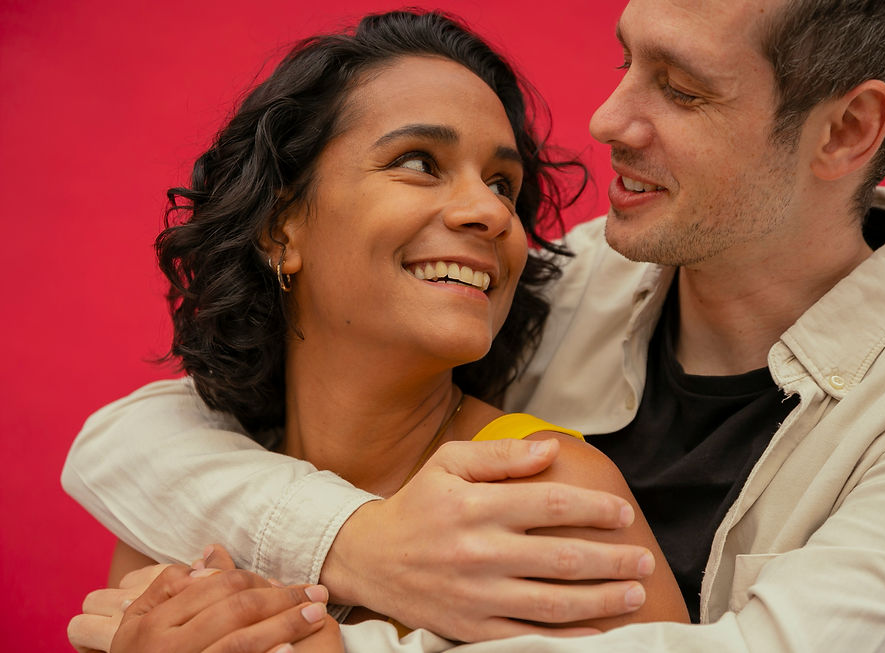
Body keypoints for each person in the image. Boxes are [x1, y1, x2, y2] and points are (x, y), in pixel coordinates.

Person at [64, 0, 885, 651]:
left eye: (682, 88)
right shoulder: (565, 279)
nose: (607, 119)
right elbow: (124, 445)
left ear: (845, 130)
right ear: (281, 225)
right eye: (626, 61)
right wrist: (361, 542)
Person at [66, 9, 691, 652]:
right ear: (280, 229)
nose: (490, 212)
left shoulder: (546, 498)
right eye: (419, 162)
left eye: (502, 185)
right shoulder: (177, 519)